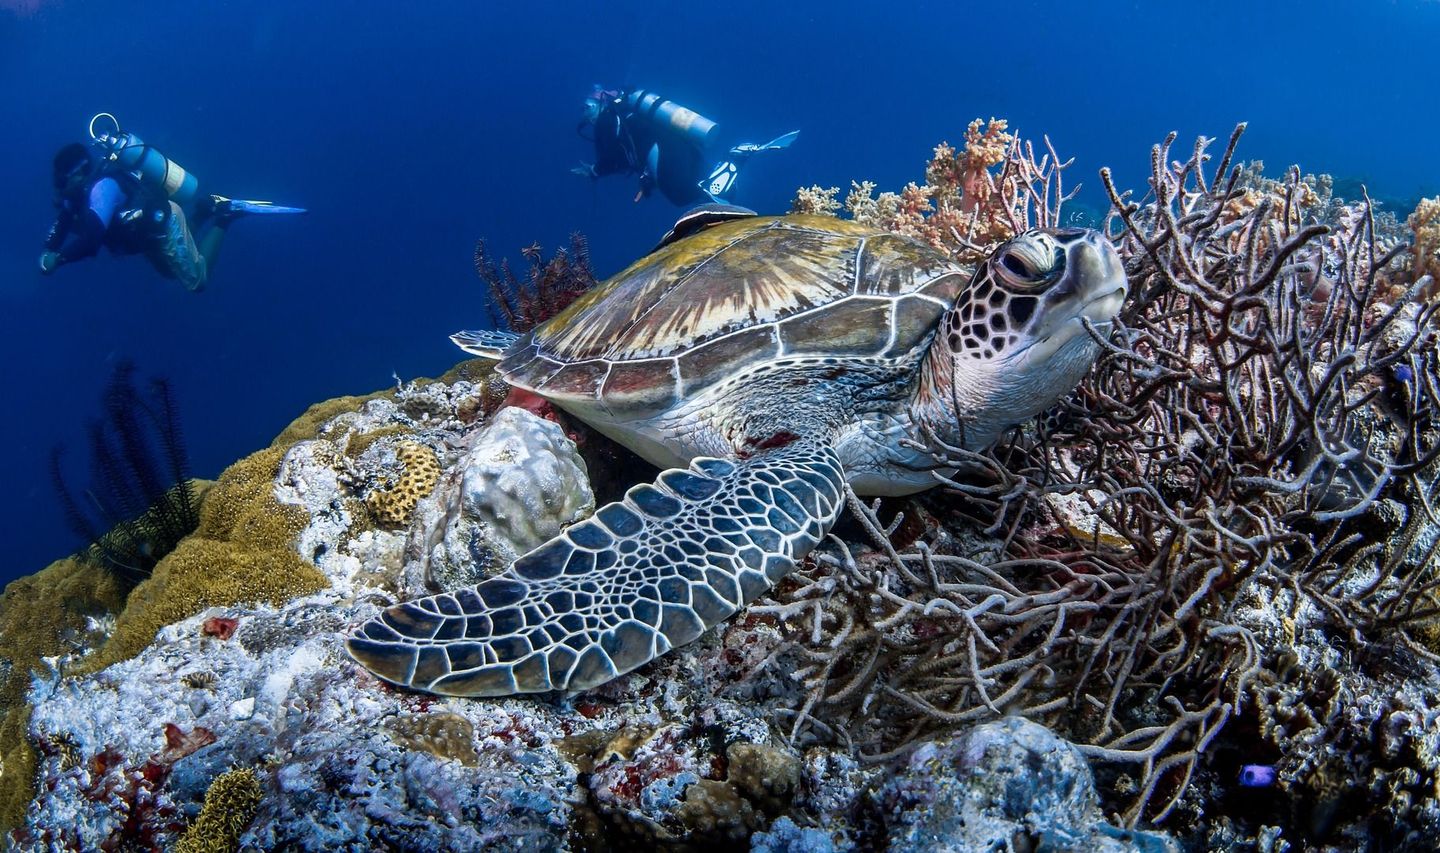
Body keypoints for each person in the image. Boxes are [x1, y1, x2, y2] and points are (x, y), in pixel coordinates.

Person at [40, 114, 305, 292]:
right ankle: (205, 209)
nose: (60, 185)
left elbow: (91, 242)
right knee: (169, 272)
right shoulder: (75, 199)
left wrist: (60, 259)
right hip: (150, 233)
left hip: (165, 222)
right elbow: (63, 222)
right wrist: (48, 250)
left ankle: (226, 215)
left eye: (64, 178)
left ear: (79, 172)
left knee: (196, 281)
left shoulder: (102, 190)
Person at [573, 86, 798, 206]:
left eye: (586, 107)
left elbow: (614, 157)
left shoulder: (607, 119)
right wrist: (648, 180)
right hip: (680, 143)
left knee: (682, 196)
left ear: (597, 104)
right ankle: (733, 162)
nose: (586, 115)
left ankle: (735, 158)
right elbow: (633, 149)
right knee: (708, 191)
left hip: (664, 148)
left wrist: (594, 171)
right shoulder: (629, 114)